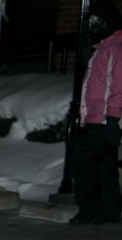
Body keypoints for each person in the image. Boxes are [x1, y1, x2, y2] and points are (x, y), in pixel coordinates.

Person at [71, 0, 122, 225]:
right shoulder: (102, 49)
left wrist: (113, 117)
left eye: (97, 22)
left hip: (103, 119)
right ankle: (109, 211)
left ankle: (90, 211)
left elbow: (119, 86)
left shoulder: (116, 48)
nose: (93, 27)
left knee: (84, 162)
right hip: (96, 118)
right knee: (104, 165)